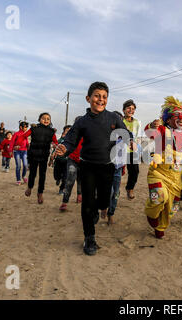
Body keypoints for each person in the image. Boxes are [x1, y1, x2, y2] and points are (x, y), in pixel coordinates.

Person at [55, 81, 131, 256]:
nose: (101, 99)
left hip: (108, 167)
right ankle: (89, 237)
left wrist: (130, 139)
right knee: (88, 204)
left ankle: (98, 209)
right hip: (88, 166)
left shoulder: (114, 118)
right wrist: (64, 148)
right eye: (97, 96)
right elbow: (70, 141)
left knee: (104, 200)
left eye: (104, 97)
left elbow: (125, 132)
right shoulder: (82, 121)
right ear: (88, 98)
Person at [143, 96, 182, 238]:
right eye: (176, 115)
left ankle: (161, 227)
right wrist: (152, 125)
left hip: (177, 180)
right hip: (158, 174)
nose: (181, 117)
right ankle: (151, 214)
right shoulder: (162, 130)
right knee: (158, 198)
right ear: (168, 119)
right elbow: (149, 131)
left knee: (172, 209)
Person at [21, 113, 58, 204]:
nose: (46, 120)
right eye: (43, 118)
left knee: (42, 175)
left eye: (48, 119)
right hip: (33, 154)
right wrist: (19, 144)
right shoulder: (34, 128)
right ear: (39, 119)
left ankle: (40, 193)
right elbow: (24, 136)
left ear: (50, 121)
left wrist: (55, 146)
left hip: (44, 155)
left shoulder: (51, 131)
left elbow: (56, 142)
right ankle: (29, 187)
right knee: (32, 173)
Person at [106, 111, 128, 225]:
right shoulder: (105, 134)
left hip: (118, 169)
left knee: (116, 193)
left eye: (120, 119)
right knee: (108, 192)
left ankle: (111, 213)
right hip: (106, 168)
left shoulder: (125, 136)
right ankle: (104, 207)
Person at [56, 120, 83, 212]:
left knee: (80, 180)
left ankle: (79, 195)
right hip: (73, 160)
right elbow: (66, 146)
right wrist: (62, 152)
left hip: (84, 161)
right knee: (70, 180)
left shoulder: (89, 134)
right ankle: (65, 201)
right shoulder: (72, 136)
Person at [122, 99, 141, 200]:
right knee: (115, 172)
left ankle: (130, 189)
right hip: (120, 150)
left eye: (133, 109)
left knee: (134, 171)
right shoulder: (120, 120)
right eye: (128, 108)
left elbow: (136, 136)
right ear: (124, 110)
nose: (131, 110)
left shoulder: (137, 122)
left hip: (132, 151)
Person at [52, 125, 72, 195]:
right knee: (56, 175)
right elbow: (55, 149)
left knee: (65, 177)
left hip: (67, 161)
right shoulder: (60, 140)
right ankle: (58, 179)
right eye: (67, 130)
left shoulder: (73, 141)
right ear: (64, 132)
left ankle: (61, 189)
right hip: (58, 160)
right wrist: (52, 156)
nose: (69, 132)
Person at [9, 121, 30, 185]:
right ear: (21, 127)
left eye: (27, 127)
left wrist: (28, 146)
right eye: (25, 127)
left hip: (24, 151)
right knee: (18, 166)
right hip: (17, 152)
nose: (26, 129)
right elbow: (12, 142)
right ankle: (18, 180)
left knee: (25, 165)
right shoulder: (16, 134)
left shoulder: (25, 134)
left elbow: (26, 142)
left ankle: (23, 176)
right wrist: (10, 151)